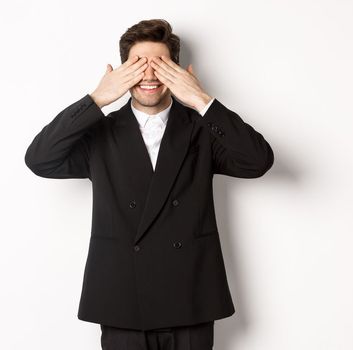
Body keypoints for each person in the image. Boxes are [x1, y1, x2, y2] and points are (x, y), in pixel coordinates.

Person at [24, 18, 274, 350]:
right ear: (121, 72)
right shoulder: (100, 132)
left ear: (179, 70)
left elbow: (258, 161)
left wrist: (201, 99)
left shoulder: (202, 129)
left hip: (189, 297)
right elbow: (39, 159)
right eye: (138, 65)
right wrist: (96, 99)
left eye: (161, 65)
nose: (150, 75)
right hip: (122, 300)